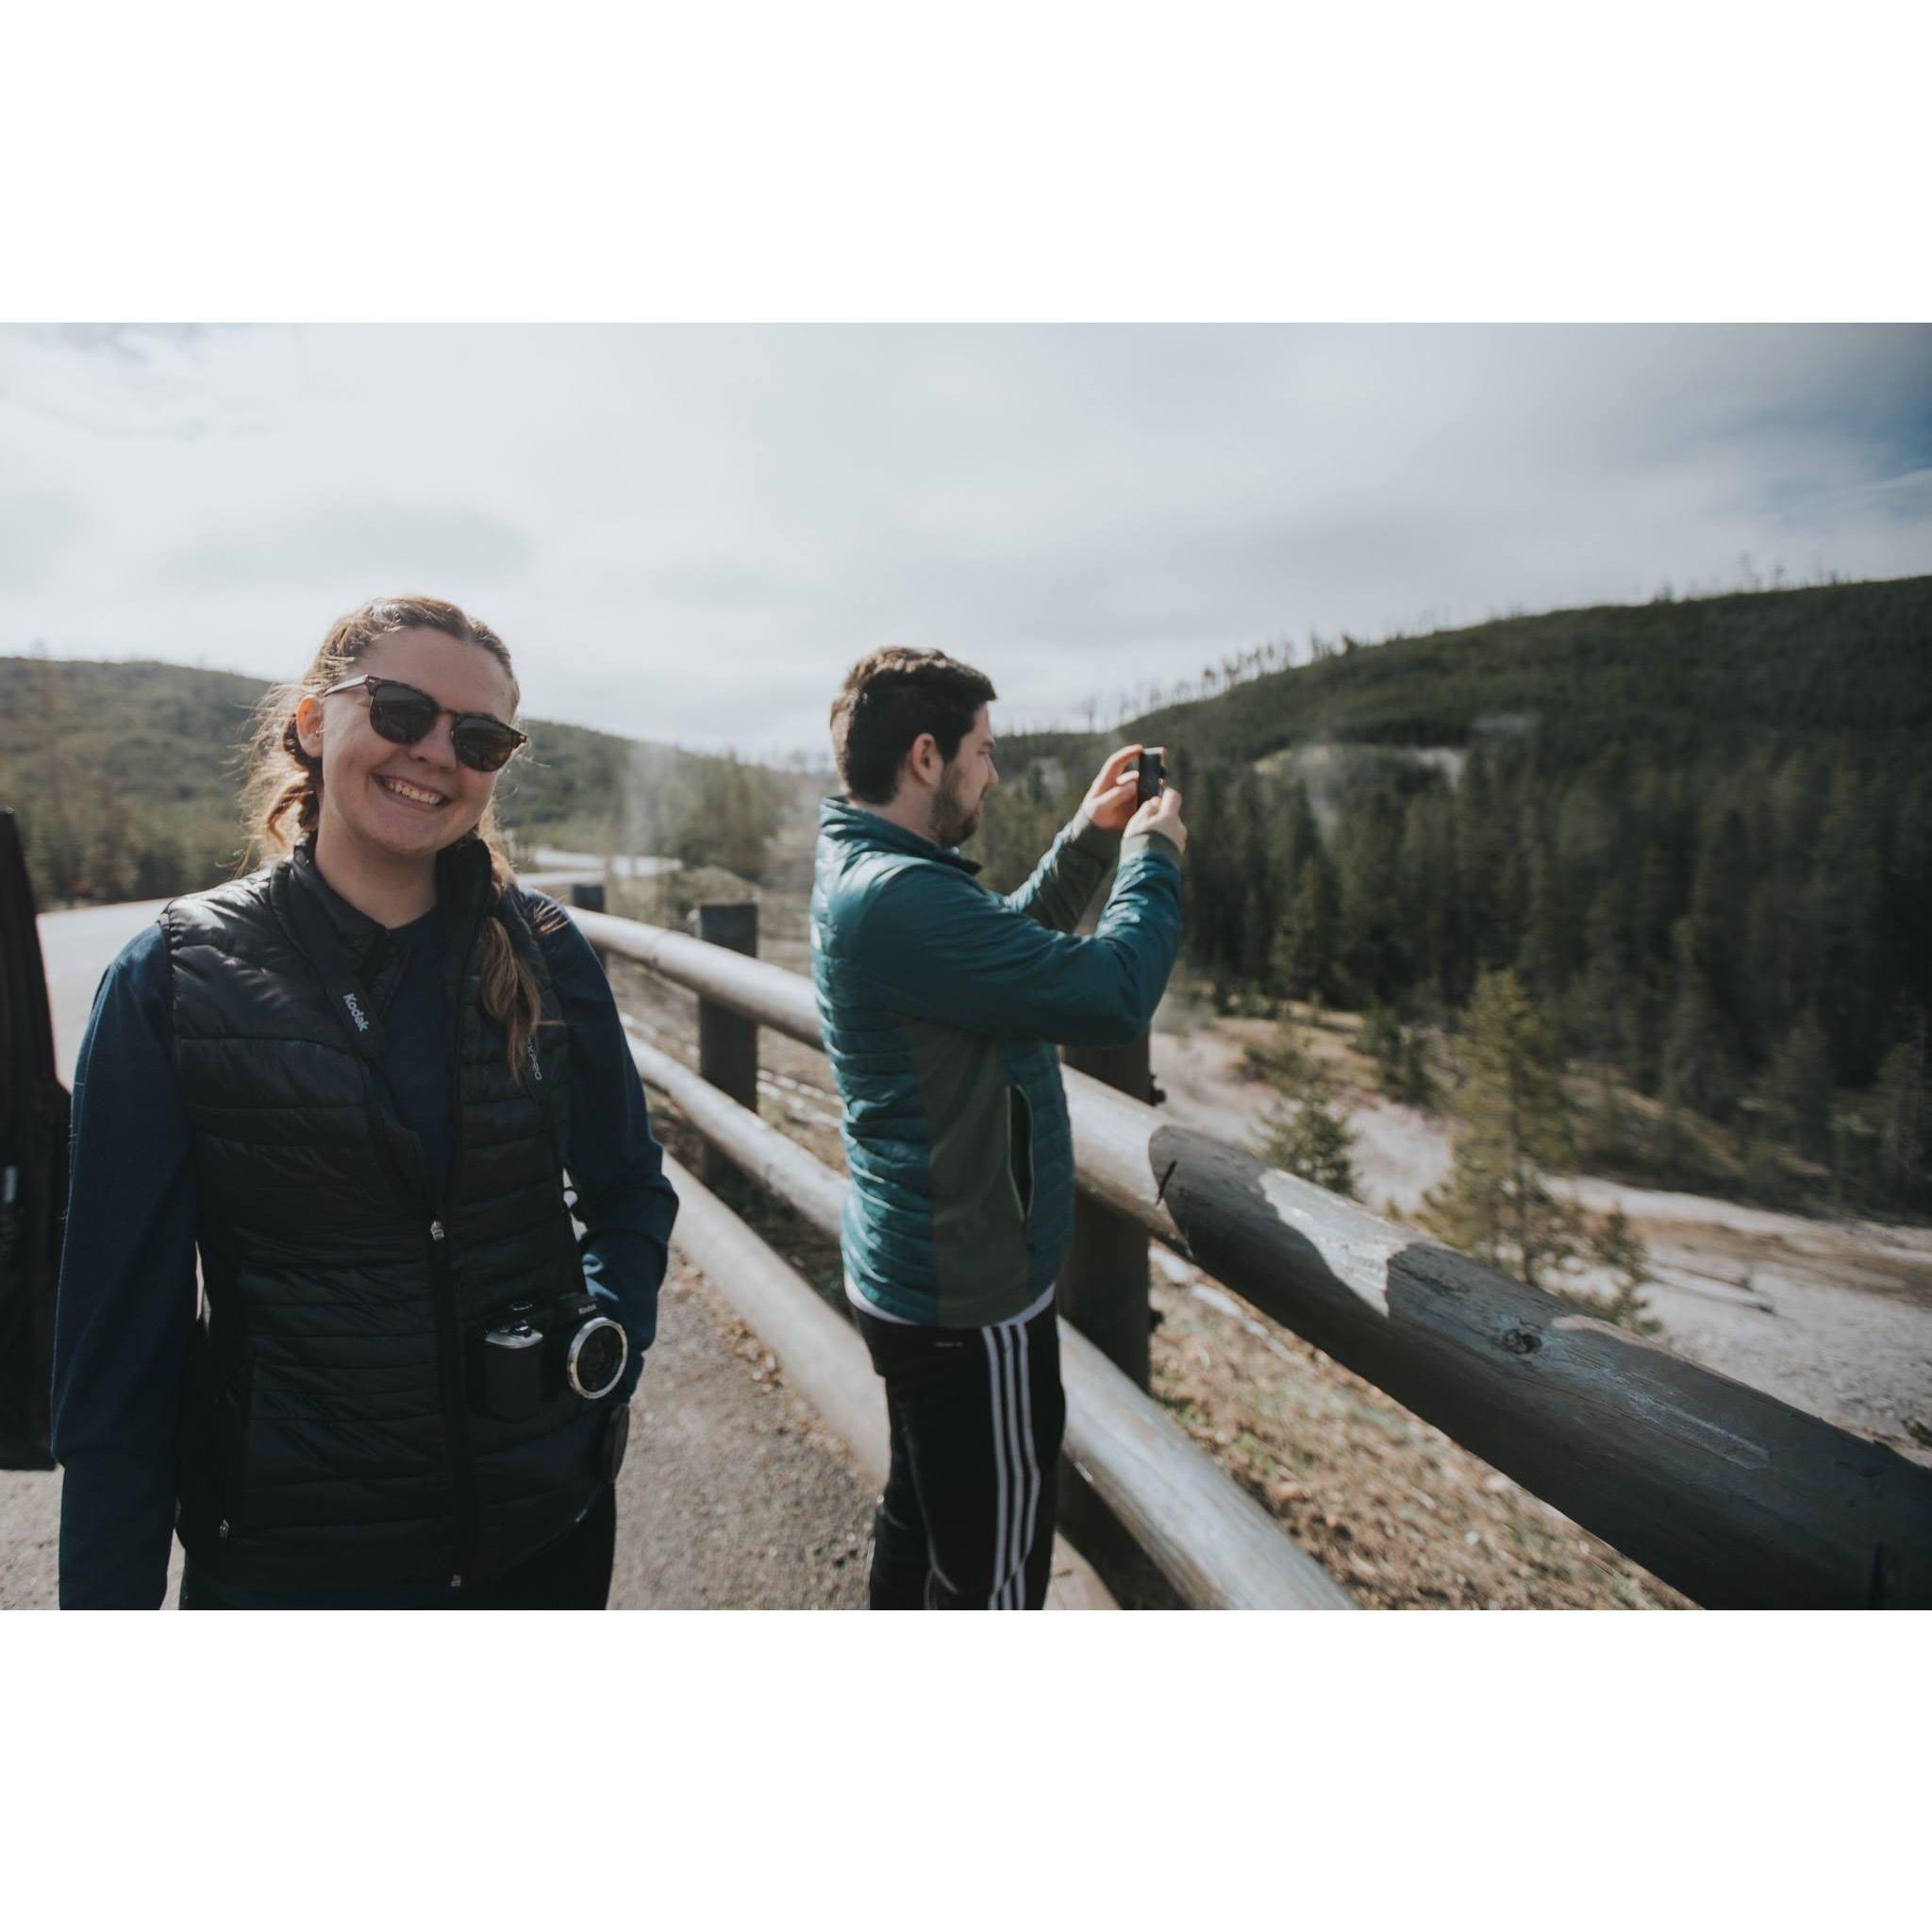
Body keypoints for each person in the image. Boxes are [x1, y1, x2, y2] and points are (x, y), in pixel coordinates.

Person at [51, 596, 678, 1608]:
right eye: (400, 710)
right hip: (294, 1569)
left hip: (542, 1536)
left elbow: (630, 1189)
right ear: (312, 722)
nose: (434, 752)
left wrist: (606, 1341)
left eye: (478, 738)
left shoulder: (545, 953)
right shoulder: (173, 980)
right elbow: (121, 1350)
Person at [810, 647, 1186, 1608]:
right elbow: (1110, 994)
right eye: (982, 750)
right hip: (969, 1303)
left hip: (916, 1279)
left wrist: (1089, 839)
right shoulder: (901, 895)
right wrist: (1152, 858)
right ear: (925, 756)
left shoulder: (875, 869)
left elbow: (997, 949)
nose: (992, 772)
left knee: (921, 1523)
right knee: (996, 1579)